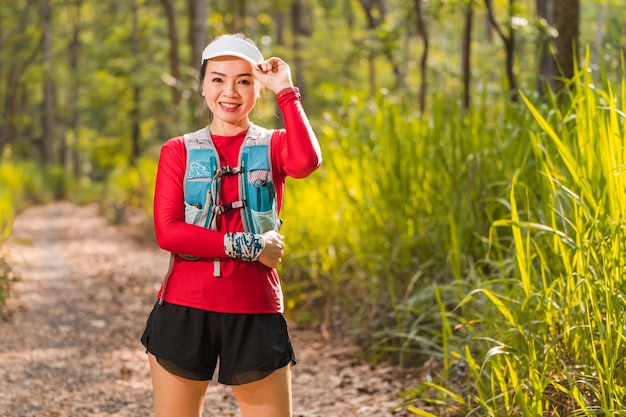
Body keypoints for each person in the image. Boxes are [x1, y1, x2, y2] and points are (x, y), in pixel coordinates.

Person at [140, 33, 322, 417]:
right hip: (184, 308)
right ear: (203, 86)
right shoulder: (178, 150)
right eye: (218, 79)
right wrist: (249, 246)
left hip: (255, 307)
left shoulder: (274, 145)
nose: (230, 92)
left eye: (244, 80)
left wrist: (285, 88)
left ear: (258, 89)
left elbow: (306, 162)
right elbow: (168, 232)